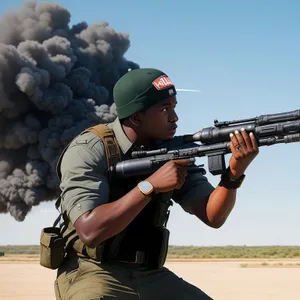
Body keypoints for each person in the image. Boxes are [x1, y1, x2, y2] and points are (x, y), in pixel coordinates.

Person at [53, 68, 259, 300]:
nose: (175, 117)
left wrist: (233, 174)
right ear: (137, 117)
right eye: (164, 109)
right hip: (92, 270)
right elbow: (89, 231)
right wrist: (149, 186)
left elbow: (213, 216)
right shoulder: (89, 149)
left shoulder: (173, 150)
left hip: (149, 273)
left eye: (174, 106)